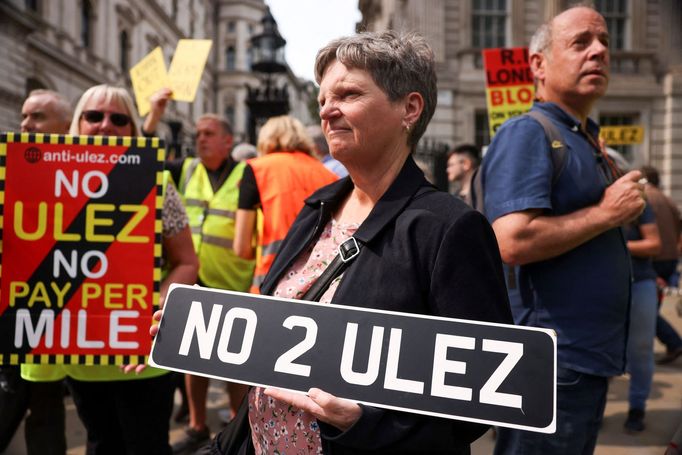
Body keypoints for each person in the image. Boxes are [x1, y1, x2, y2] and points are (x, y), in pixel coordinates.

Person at [173, 30, 512, 454]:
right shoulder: (316, 208)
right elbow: (274, 336)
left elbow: (479, 399)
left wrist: (364, 423)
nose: (328, 112)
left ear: (409, 107)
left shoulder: (448, 228)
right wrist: (189, 331)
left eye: (348, 95)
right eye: (322, 101)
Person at [480, 6, 647, 454]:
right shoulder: (527, 133)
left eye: (605, 43)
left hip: (582, 360)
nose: (599, 53)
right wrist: (607, 214)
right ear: (538, 65)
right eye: (580, 43)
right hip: (553, 364)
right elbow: (511, 240)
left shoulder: (584, 136)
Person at [61, 84, 199, 454]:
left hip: (142, 353)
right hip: (79, 352)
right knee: (101, 444)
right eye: (94, 116)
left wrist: (149, 308)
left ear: (132, 129)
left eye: (119, 119)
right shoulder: (46, 183)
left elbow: (187, 261)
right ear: (78, 123)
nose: (105, 125)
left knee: (147, 446)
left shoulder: (157, 180)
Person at [144, 88, 256, 454]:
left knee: (235, 362)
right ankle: (196, 424)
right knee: (194, 360)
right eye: (198, 134)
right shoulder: (186, 168)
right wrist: (153, 119)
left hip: (235, 280)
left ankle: (237, 422)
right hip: (193, 279)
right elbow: (143, 162)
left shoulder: (246, 174)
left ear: (228, 140)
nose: (200, 139)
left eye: (208, 134)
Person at [0, 89, 72, 455]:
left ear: (66, 126)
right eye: (25, 115)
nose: (26, 123)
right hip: (12, 311)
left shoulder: (89, 173)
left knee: (45, 411)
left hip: (61, 318)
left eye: (38, 117)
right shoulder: (6, 164)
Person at [234, 115, 338, 292]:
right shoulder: (328, 175)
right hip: (320, 283)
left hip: (272, 277)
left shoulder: (257, 169)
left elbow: (241, 248)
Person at [623, 203, 661, 433]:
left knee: (641, 348)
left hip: (639, 282)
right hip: (601, 287)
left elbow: (654, 243)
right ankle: (594, 406)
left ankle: (637, 407)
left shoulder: (638, 202)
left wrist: (617, 246)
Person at [640, 165, 682, 364]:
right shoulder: (668, 200)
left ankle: (674, 343)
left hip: (652, 260)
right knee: (650, 308)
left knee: (646, 310)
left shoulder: (644, 197)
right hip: (670, 258)